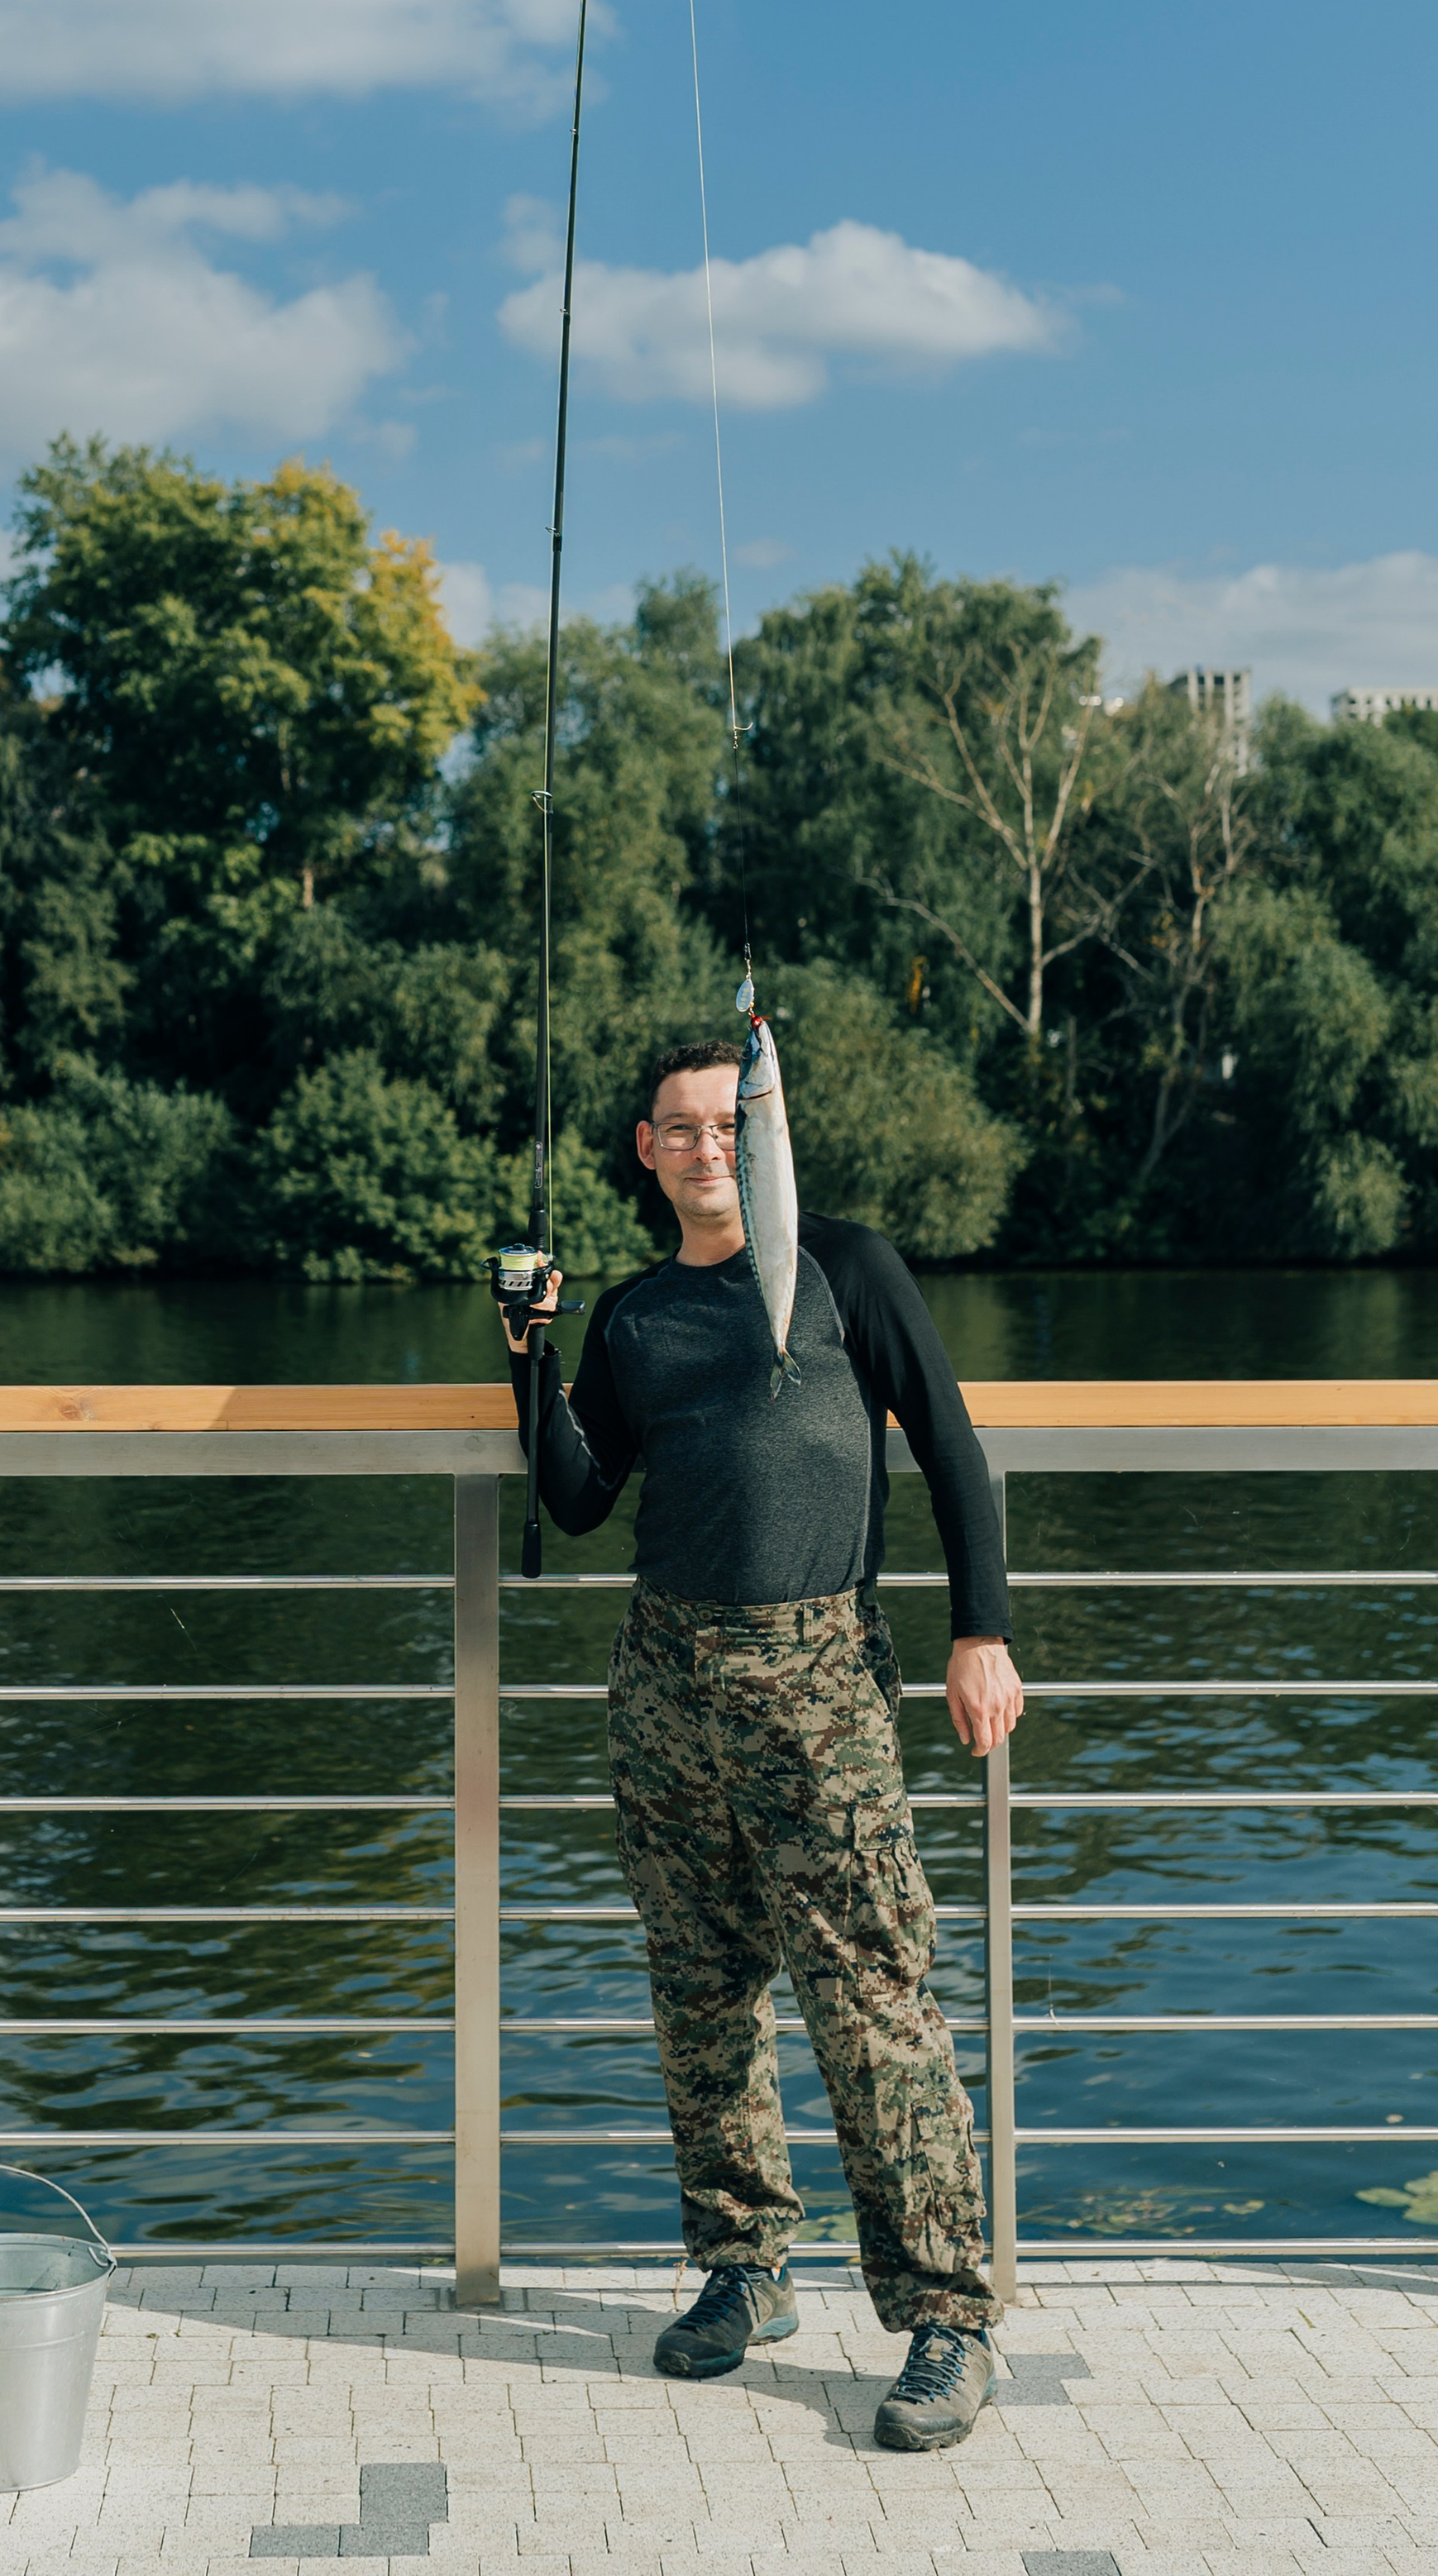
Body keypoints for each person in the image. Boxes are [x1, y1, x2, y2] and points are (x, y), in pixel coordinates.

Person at [503, 1036, 1025, 2453]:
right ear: (645, 1150)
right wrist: (529, 1350)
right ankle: (746, 2268)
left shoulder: (848, 1265)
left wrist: (983, 1629)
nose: (710, 1147)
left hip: (824, 1675)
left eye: (731, 1125)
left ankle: (945, 2322)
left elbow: (957, 1448)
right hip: (666, 1675)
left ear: (765, 1134)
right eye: (682, 1131)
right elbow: (580, 1496)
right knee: (702, 1982)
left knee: (872, 1997)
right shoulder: (632, 1315)